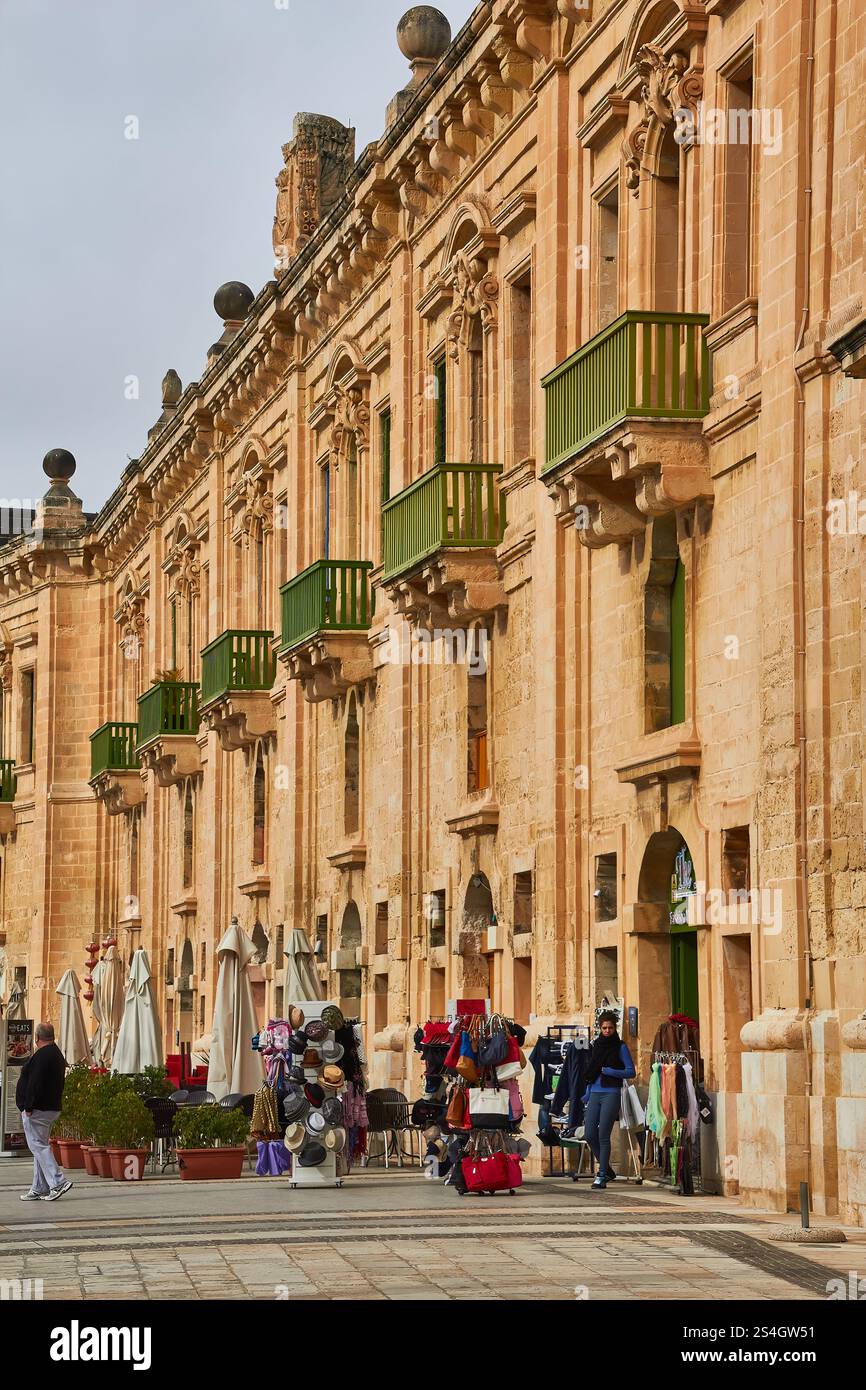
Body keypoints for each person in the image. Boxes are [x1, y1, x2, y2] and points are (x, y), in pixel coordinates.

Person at [16, 1021, 73, 1202]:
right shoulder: (56, 1053)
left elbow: (35, 1082)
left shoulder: (43, 1055)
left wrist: (29, 1106)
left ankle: (58, 1181)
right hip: (50, 1107)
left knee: (38, 1146)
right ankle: (39, 1187)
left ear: (37, 1038)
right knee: (39, 1146)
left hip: (38, 1109)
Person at [581, 1011, 635, 1190]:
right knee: (589, 1133)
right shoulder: (596, 1045)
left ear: (615, 1028)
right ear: (600, 1028)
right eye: (604, 1028)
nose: (607, 1031)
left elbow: (630, 1071)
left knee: (603, 1135)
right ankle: (608, 1170)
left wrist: (612, 1071)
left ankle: (601, 1175)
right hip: (595, 1093)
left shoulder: (620, 1047)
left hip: (611, 1092)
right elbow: (592, 1071)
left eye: (610, 1028)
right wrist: (588, 1092)